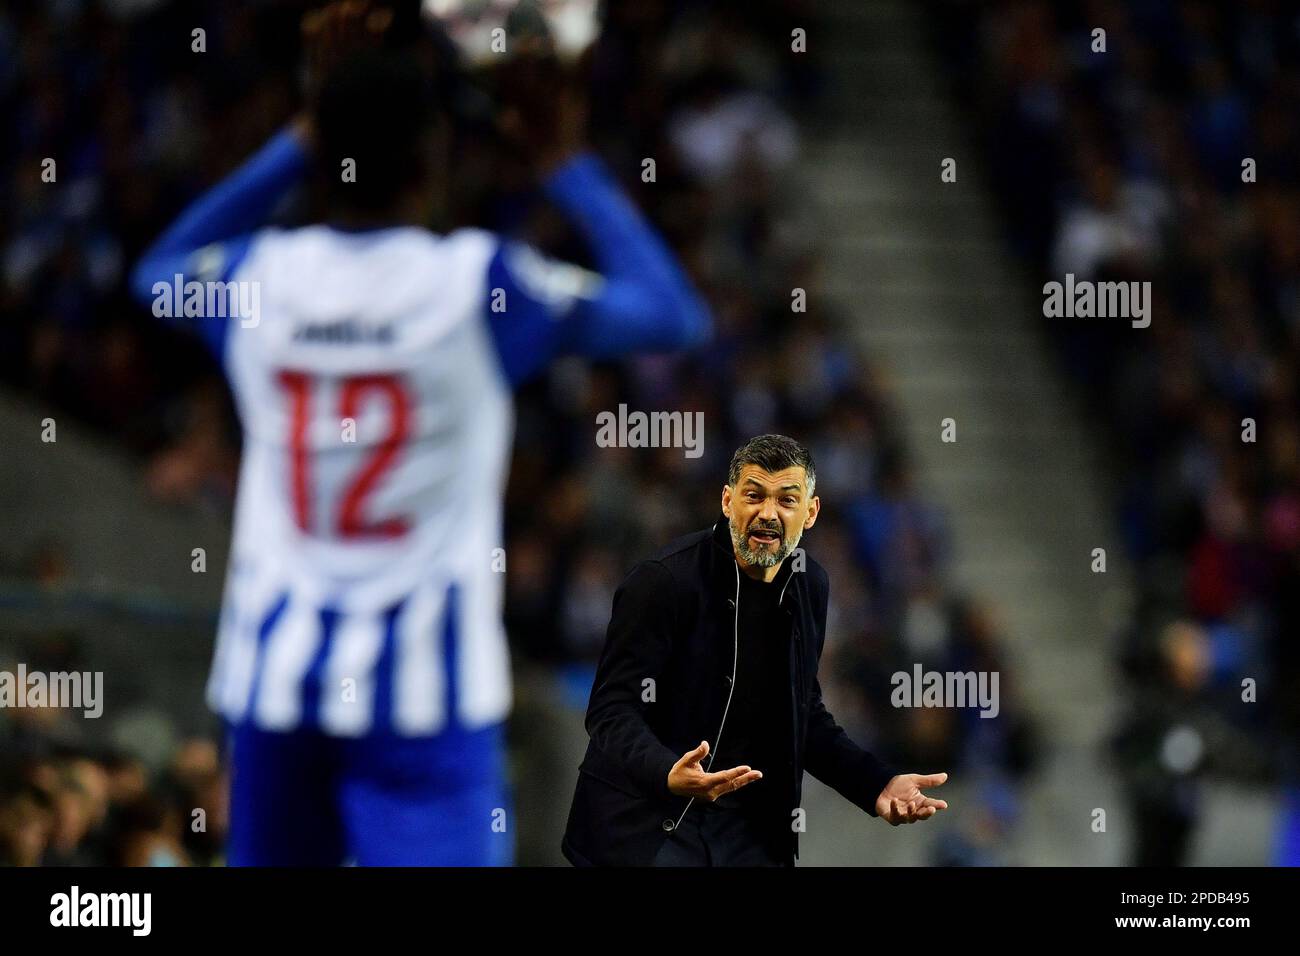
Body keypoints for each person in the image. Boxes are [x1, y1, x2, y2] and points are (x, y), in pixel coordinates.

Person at [128, 1, 710, 865]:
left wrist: (299, 133)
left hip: (272, 683)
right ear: (430, 162)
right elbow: (672, 313)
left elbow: (154, 275)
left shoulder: (256, 279)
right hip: (424, 701)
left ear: (326, 154)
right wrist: (562, 161)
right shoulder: (477, 288)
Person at [562, 434, 949, 866]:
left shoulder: (810, 587)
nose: (768, 514)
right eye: (754, 495)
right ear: (728, 502)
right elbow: (612, 710)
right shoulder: (663, 582)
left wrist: (875, 784)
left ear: (811, 512)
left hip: (749, 834)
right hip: (651, 826)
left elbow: (803, 714)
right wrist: (666, 772)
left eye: (787, 500)